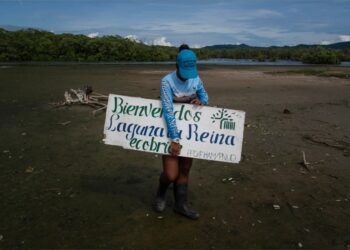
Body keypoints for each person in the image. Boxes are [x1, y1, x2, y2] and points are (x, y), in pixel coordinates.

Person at [154, 44, 209, 220]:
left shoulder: (196, 79)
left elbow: (205, 96)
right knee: (171, 174)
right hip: (170, 133)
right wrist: (175, 139)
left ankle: (180, 205)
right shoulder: (166, 82)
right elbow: (168, 110)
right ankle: (161, 193)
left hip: (190, 132)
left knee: (185, 170)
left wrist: (201, 101)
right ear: (177, 65)